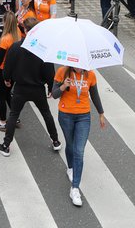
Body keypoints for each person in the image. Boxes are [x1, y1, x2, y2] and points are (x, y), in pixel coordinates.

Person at [0, 18, 62, 156]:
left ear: (25, 30)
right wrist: (50, 87)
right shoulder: (43, 49)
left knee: (14, 115)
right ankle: (55, 141)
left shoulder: (15, 47)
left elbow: (7, 68)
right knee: (46, 114)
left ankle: (6, 145)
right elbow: (49, 72)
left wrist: (7, 79)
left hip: (20, 88)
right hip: (38, 88)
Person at [52, 66, 106, 207]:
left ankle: (75, 188)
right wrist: (64, 86)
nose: (79, 66)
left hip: (84, 116)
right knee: (70, 145)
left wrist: (101, 113)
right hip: (65, 115)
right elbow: (54, 94)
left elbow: (94, 94)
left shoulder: (91, 75)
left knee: (79, 151)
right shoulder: (62, 72)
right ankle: (70, 168)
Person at [0, 12, 20, 131]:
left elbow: (0, 59)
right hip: (14, 70)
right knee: (7, 94)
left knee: (1, 96)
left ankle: (2, 122)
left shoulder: (5, 39)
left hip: (4, 70)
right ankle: (15, 117)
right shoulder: (17, 33)